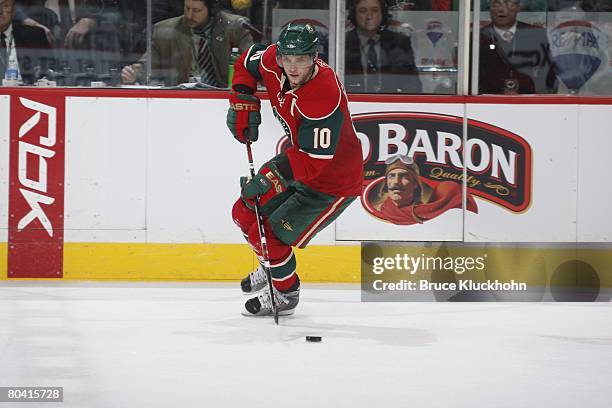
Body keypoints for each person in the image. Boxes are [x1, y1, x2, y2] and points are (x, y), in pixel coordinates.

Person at [227, 23, 363, 316]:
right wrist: (242, 100)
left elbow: (314, 161)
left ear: (314, 56)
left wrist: (270, 179)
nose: (292, 66)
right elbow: (245, 62)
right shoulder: (273, 59)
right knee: (244, 212)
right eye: (287, 58)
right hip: (298, 161)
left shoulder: (324, 93)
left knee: (273, 237)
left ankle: (286, 293)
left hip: (332, 182)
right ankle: (273, 266)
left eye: (301, 59)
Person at [121, 0, 253, 87]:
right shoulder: (164, 30)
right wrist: (133, 74)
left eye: (196, 10)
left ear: (211, 10)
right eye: (187, 8)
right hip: (182, 101)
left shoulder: (235, 28)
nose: (189, 15)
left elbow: (252, 65)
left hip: (224, 100)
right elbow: (146, 66)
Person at [479, 0, 557, 94]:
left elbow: (549, 72)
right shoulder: (478, 37)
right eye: (496, 4)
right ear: (489, 9)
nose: (501, 9)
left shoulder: (536, 34)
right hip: (488, 101)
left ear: (518, 8)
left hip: (529, 100)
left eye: (508, 4)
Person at [372, 155, 477, 225]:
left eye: (404, 176)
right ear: (386, 183)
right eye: (391, 176)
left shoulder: (431, 215)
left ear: (415, 184)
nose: (396, 182)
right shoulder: (377, 209)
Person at [345, 0, 421, 93]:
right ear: (354, 15)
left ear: (383, 13)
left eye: (375, 10)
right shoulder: (343, 43)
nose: (369, 16)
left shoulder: (399, 42)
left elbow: (413, 85)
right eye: (363, 11)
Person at [1, 0, 52, 84]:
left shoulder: (35, 35)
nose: (0, 11)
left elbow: (52, 72)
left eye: (5, 6)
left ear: (13, 12)